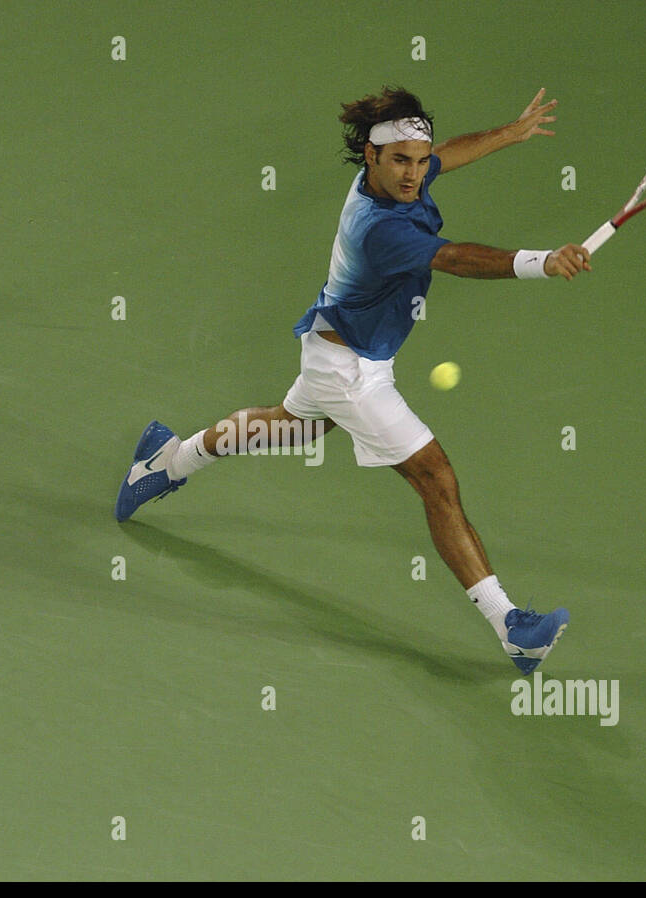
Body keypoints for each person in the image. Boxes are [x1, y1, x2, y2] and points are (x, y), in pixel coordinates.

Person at [115, 85, 592, 674]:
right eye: (402, 161)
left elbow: (448, 153)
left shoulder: (398, 171)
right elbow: (455, 257)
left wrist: (509, 133)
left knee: (290, 430)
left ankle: (165, 463)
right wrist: (542, 261)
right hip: (349, 373)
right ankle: (512, 627)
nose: (416, 174)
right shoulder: (380, 229)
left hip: (340, 349)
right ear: (371, 155)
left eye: (420, 162)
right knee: (435, 478)